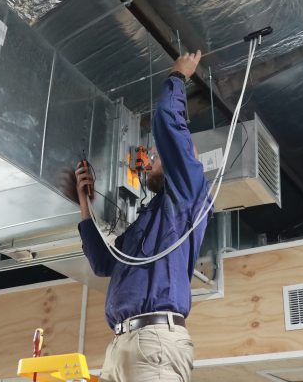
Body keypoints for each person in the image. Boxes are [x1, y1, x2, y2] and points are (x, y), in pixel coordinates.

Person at [75, 50, 211, 382]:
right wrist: (85, 203)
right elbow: (103, 263)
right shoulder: (152, 217)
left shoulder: (187, 196)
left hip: (155, 343)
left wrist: (178, 76)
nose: (148, 159)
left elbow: (167, 120)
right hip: (123, 344)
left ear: (180, 161)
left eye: (156, 154)